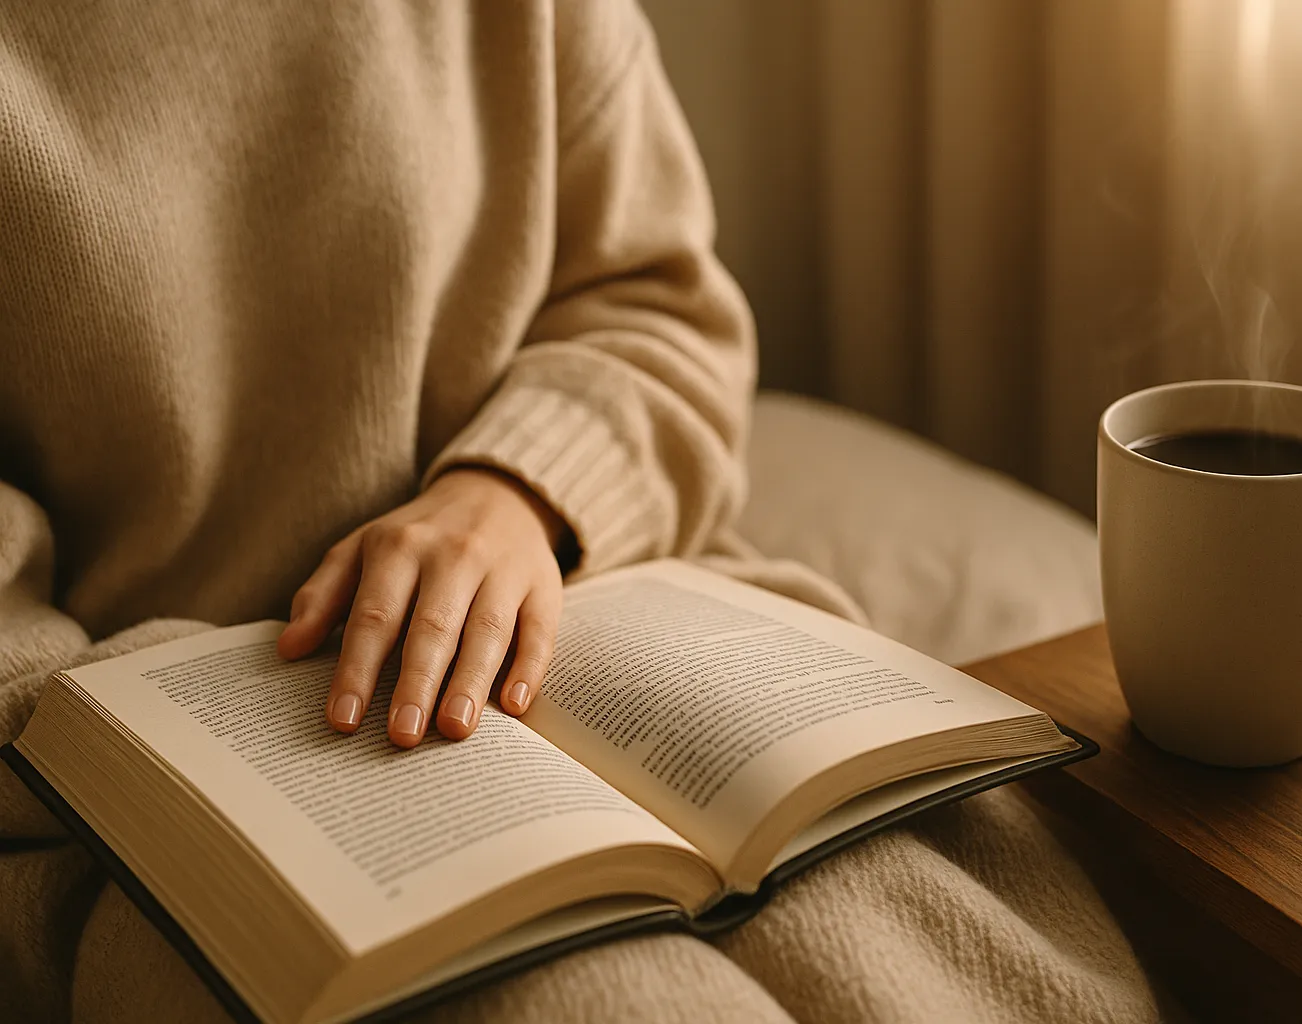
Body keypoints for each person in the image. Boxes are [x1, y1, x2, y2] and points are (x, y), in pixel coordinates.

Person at [0, 3, 1159, 1021]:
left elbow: (658, 307)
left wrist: (513, 490)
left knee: (957, 946)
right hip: (142, 781)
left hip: (591, 620)